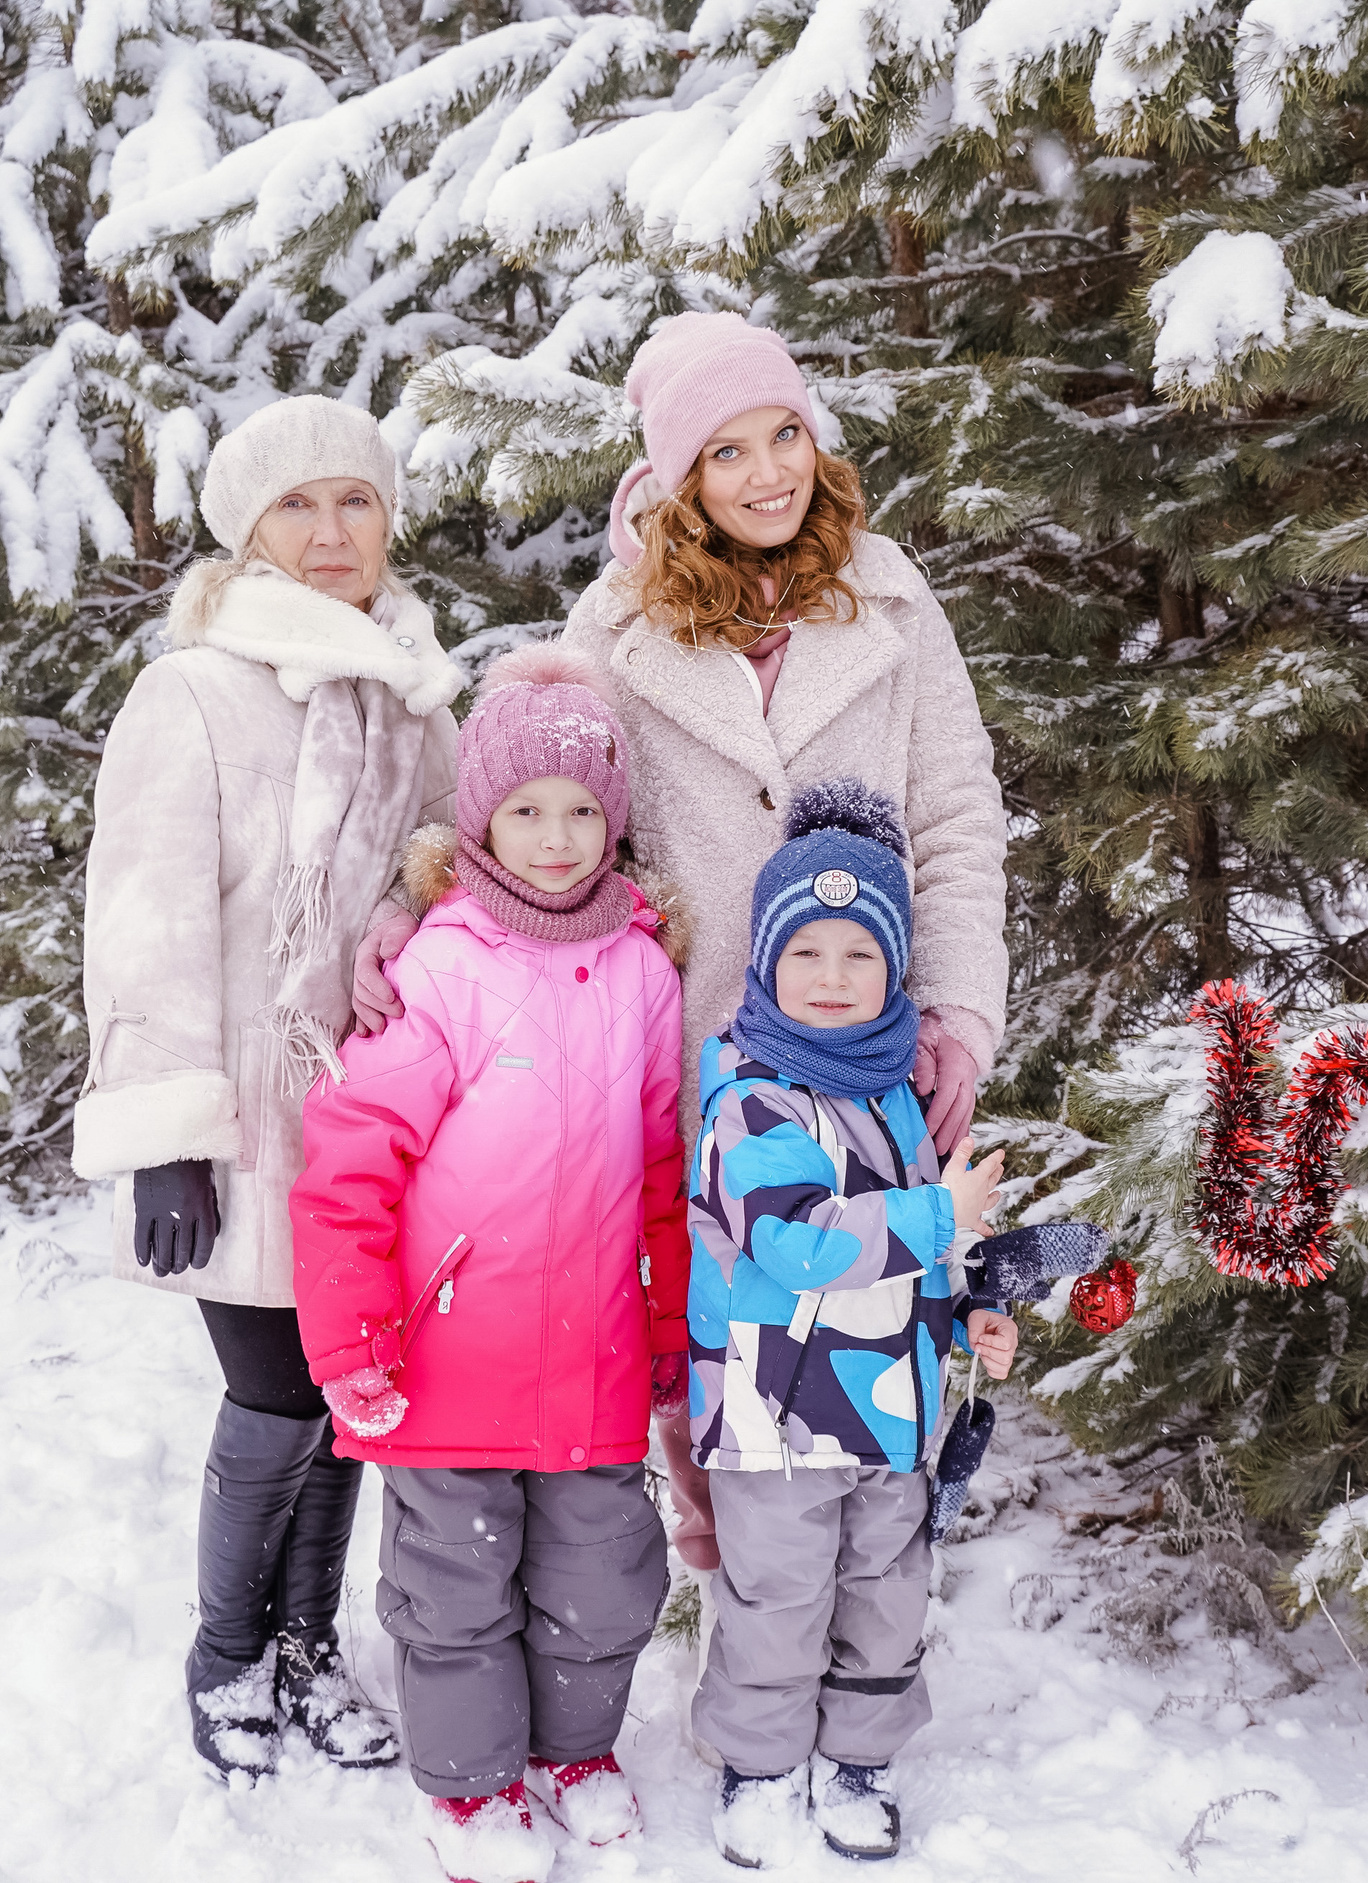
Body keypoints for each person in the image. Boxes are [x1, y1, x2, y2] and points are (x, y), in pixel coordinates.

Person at [352, 310, 1012, 1582]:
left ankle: (858, 1607)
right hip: (695, 1041)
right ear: (673, 476)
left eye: (786, 435)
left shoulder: (888, 591)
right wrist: (420, 907)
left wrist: (961, 1013)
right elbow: (546, 809)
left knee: (872, 1308)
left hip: (869, 1032)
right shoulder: (616, 625)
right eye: (728, 451)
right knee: (723, 1329)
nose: (771, 472)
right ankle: (736, 1598)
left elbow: (956, 815)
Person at [74, 396, 457, 1782]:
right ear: (248, 532)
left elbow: (445, 901)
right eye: (297, 506)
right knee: (276, 1390)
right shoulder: (193, 688)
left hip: (370, 1119)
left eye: (354, 500)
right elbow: (146, 914)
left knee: (352, 1384)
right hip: (242, 1112)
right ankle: (228, 1651)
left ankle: (309, 1644)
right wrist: (167, 1128)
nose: (331, 530)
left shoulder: (413, 691)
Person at [288, 645, 692, 1883]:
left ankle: (574, 1752)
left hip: (595, 1357)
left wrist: (669, 1321)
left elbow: (666, 1166)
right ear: (480, 818)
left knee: (604, 1572)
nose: (557, 836)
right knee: (454, 1581)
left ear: (614, 823)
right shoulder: (442, 965)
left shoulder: (640, 965)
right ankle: (467, 1788)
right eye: (526, 809)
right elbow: (350, 1163)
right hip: (449, 1353)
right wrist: (353, 1341)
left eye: (582, 810)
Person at [684, 780, 1018, 1868]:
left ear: (896, 969)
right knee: (777, 1602)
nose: (832, 979)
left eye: (859, 956)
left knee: (885, 1597)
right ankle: (760, 1764)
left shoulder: (893, 1093)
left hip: (888, 1411)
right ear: (767, 963)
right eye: (807, 954)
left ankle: (857, 1758)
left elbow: (919, 1254)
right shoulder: (751, 1097)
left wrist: (967, 1314)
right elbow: (796, 1245)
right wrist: (939, 1216)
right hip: (774, 1416)